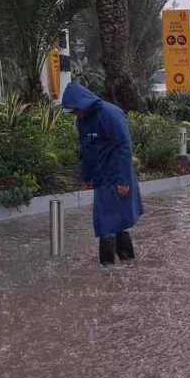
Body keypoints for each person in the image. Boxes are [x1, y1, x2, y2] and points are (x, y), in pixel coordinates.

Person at [61, 82, 143, 265]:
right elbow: (86, 149)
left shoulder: (110, 114)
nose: (74, 114)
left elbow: (124, 147)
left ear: (82, 103)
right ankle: (128, 265)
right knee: (115, 223)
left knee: (106, 224)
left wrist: (123, 181)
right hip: (101, 177)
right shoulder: (82, 120)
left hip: (116, 175)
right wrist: (87, 176)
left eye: (75, 110)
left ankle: (107, 271)